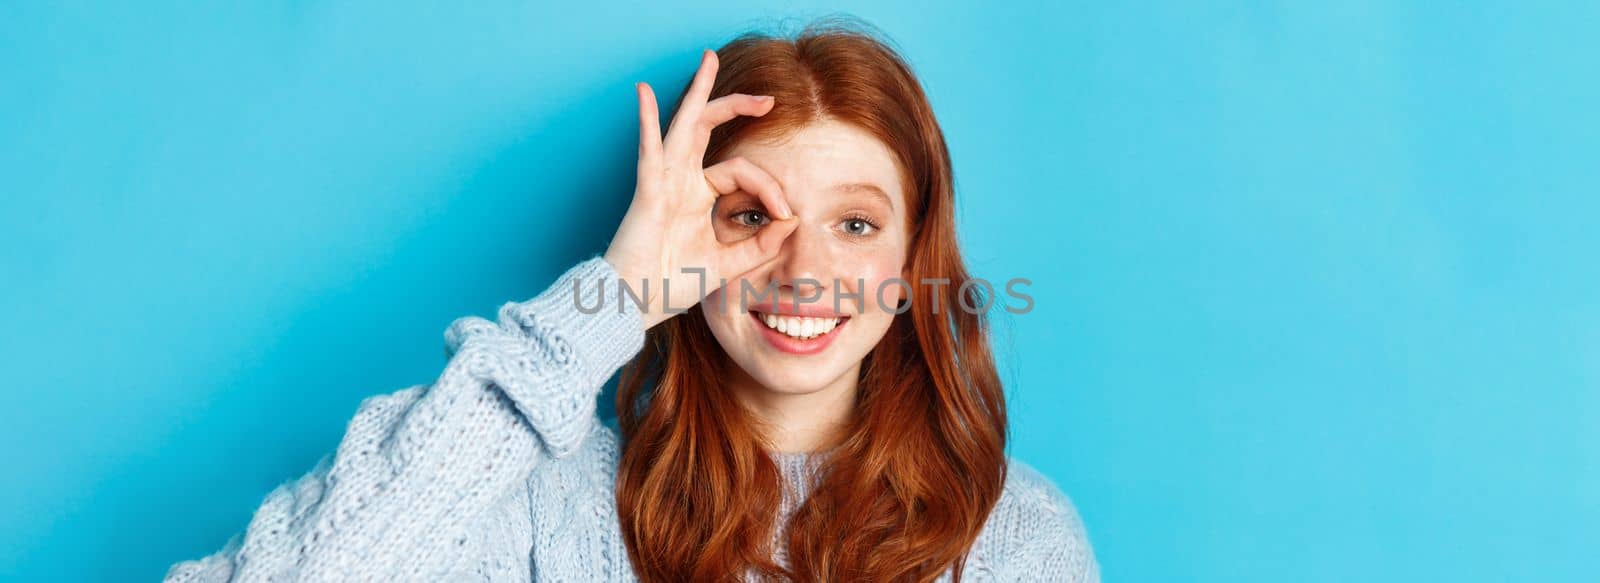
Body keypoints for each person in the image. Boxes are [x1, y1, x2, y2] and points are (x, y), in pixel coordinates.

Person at [165, 20, 1098, 583]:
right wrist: (614, 296)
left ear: (910, 260)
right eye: (749, 216)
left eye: (855, 225)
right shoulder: (539, 501)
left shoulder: (1013, 538)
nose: (803, 269)